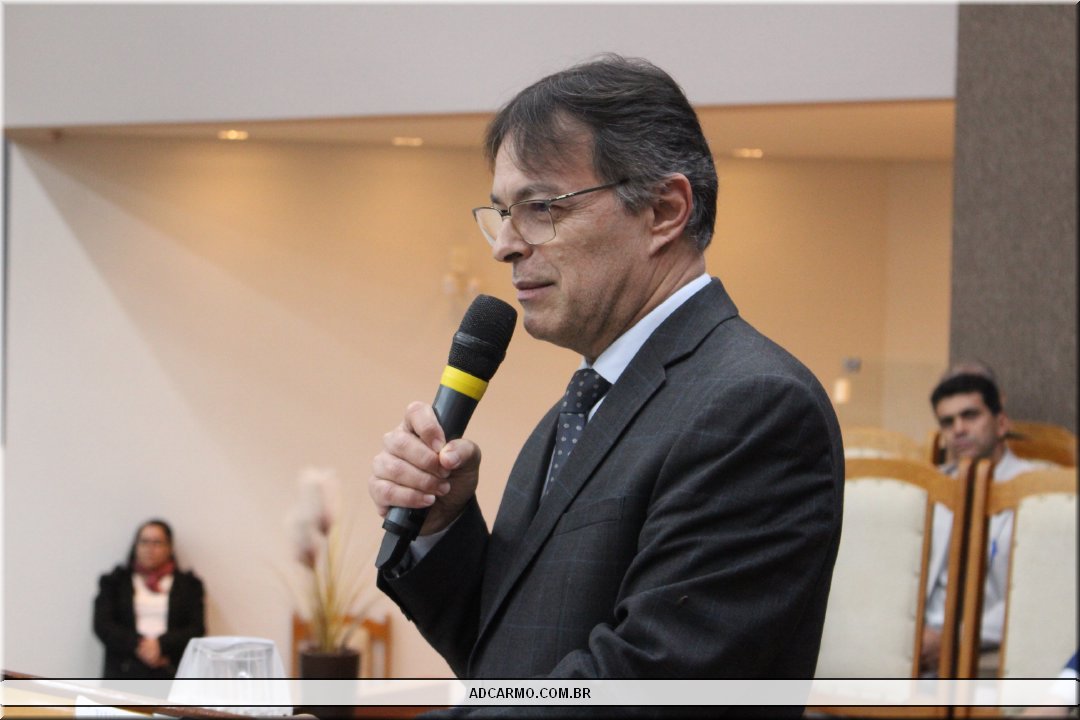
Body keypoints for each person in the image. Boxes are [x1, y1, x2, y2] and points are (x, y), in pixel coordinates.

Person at [369, 54, 844, 713]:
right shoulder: (581, 405)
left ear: (664, 210)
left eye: (541, 207)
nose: (505, 245)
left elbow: (644, 684)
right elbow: (507, 658)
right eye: (502, 212)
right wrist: (442, 528)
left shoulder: (755, 407)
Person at [920, 371, 1038, 674]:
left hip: (992, 645)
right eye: (947, 422)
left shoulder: (1039, 494)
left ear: (1002, 423)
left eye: (970, 416)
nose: (958, 429)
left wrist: (953, 639)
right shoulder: (928, 489)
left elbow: (1035, 599)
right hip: (919, 641)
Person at [93, 519, 206, 678]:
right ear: (136, 545)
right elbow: (103, 624)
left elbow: (196, 628)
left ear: (169, 547)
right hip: (124, 668)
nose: (150, 549)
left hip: (171, 668)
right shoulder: (115, 581)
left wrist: (161, 645)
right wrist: (139, 645)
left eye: (157, 543)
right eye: (144, 542)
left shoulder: (189, 585)